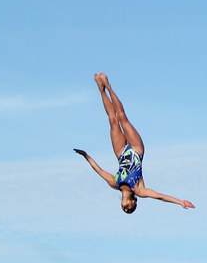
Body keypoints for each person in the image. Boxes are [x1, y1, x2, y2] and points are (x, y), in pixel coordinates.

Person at [74, 73, 195, 213]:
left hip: (121, 153)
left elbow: (99, 171)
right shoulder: (139, 190)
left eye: (124, 209)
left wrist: (86, 156)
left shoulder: (115, 183)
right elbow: (160, 196)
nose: (126, 208)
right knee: (122, 118)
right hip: (137, 150)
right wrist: (180, 202)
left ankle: (101, 90)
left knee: (113, 121)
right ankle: (108, 86)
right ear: (133, 202)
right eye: (130, 209)